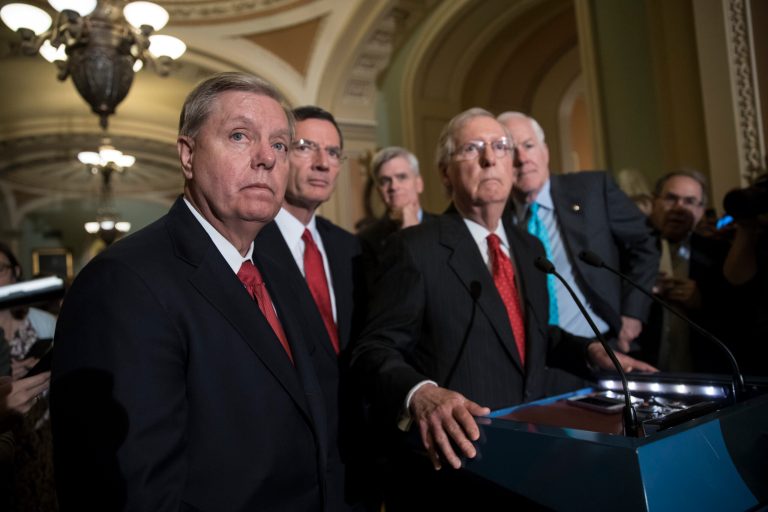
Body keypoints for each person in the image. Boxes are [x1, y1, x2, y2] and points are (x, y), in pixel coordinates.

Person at [51, 73, 342, 511]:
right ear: (188, 155)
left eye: (280, 145)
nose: (267, 158)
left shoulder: (278, 271)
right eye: (240, 136)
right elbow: (135, 491)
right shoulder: (121, 284)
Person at [350, 108, 655, 510]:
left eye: (500, 147)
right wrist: (421, 394)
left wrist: (590, 349)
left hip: (533, 458)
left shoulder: (529, 248)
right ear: (445, 173)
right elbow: (373, 350)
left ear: (512, 165)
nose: (489, 158)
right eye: (472, 148)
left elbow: (529, 334)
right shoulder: (415, 247)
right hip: (459, 467)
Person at [252, 106, 369, 510]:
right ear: (281, 154)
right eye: (306, 147)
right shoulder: (249, 244)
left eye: (333, 153)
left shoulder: (350, 248)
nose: (322, 163)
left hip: (353, 465)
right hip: (282, 468)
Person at [498, 112, 658, 355]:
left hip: (607, 344)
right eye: (510, 151)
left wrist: (633, 313)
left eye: (529, 146)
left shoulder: (593, 189)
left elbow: (645, 244)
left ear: (545, 151)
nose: (522, 159)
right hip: (537, 355)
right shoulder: (496, 217)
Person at [640, 170, 732, 371]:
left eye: (689, 201)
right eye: (671, 198)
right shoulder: (631, 249)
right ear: (655, 202)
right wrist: (643, 289)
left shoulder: (720, 254)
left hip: (705, 372)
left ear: (700, 210)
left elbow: (738, 320)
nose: (679, 208)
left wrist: (701, 301)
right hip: (642, 370)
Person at [0, 241, 57, 512]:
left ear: (16, 271)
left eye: (0, 269)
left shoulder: (45, 321)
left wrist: (44, 368)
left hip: (40, 431)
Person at [358, 147, 436, 268]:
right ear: (379, 191)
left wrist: (415, 234)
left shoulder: (444, 228)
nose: (394, 186)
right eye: (385, 181)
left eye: (401, 177)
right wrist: (407, 237)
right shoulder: (366, 240)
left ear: (419, 184)